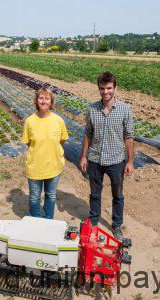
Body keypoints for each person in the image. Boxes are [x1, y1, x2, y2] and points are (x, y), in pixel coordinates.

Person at [79, 72, 134, 241]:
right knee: (95, 193)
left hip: (116, 160)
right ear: (99, 89)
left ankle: (116, 225)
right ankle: (94, 222)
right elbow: (88, 133)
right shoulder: (92, 109)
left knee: (117, 194)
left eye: (109, 88)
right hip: (95, 159)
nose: (106, 92)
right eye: (102, 88)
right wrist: (83, 156)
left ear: (115, 88)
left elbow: (129, 135)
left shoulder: (125, 109)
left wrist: (130, 161)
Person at [22, 87, 68, 219]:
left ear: (51, 101)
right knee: (34, 196)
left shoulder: (58, 120)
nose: (44, 101)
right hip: (35, 166)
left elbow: (62, 140)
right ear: (36, 101)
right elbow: (28, 142)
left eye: (47, 98)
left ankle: (48, 219)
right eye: (41, 98)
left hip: (54, 165)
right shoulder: (30, 121)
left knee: (51, 195)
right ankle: (36, 220)